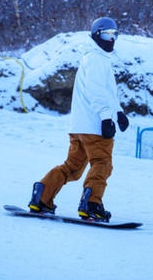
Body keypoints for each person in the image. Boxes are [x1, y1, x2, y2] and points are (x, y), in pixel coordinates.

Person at [28, 17, 129, 222]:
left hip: (80, 127)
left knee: (72, 168)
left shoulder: (94, 58)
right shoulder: (96, 59)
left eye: (114, 34)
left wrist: (118, 112)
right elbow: (96, 91)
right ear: (96, 35)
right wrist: (105, 117)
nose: (111, 39)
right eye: (107, 34)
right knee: (102, 163)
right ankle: (92, 204)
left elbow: (106, 92)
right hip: (94, 126)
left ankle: (42, 196)